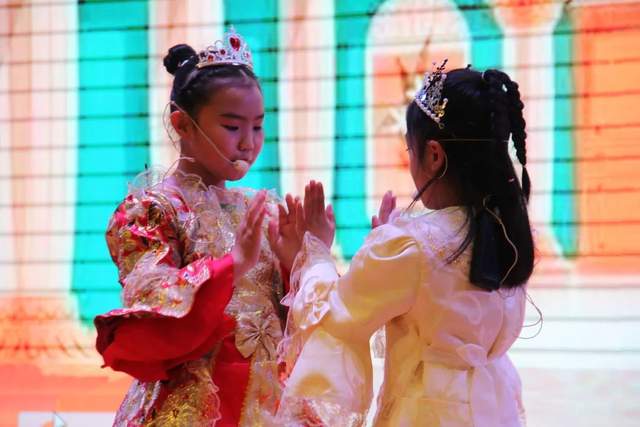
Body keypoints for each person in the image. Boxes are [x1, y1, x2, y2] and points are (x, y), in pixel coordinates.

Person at [274, 62, 535, 426]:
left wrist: (314, 254)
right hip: (494, 410)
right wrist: (386, 248)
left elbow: (338, 316)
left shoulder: (411, 246)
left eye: (410, 150)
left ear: (434, 155)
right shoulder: (505, 231)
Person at [94, 28, 291, 426]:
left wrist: (297, 262)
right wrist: (231, 267)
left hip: (265, 407)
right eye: (232, 127)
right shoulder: (152, 210)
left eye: (257, 126)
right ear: (182, 124)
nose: (248, 143)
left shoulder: (263, 209)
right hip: (189, 408)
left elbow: (289, 323)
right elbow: (150, 303)